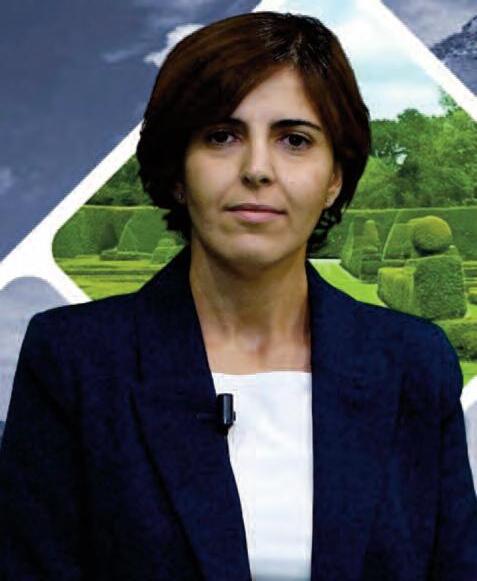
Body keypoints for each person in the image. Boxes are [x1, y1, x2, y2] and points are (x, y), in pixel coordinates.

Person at [1, 11, 476, 581]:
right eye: (221, 137)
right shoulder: (74, 360)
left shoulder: (414, 364)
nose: (257, 170)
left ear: (335, 178)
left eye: (295, 140)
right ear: (177, 171)